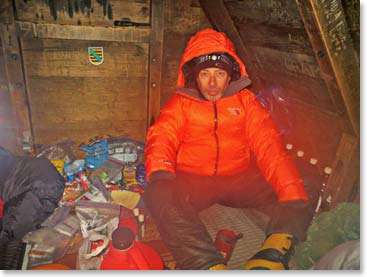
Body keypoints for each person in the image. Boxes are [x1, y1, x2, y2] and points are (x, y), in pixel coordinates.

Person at [144, 28, 321, 270]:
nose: (213, 83)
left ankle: (273, 251)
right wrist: (162, 173)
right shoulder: (181, 104)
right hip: (195, 183)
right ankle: (206, 264)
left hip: (238, 180)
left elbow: (269, 145)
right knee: (158, 192)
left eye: (220, 73)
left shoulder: (246, 102)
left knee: (304, 176)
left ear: (231, 75)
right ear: (194, 76)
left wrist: (291, 194)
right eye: (205, 74)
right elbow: (161, 138)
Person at [0, 146, 65, 242]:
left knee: (16, 231)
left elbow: (14, 228)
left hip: (38, 186)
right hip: (41, 177)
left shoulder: (34, 195)